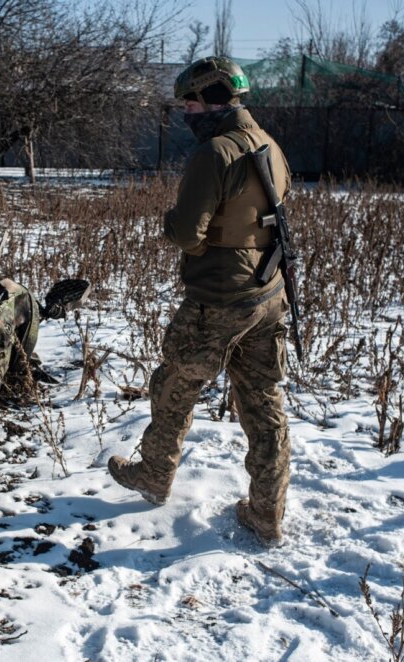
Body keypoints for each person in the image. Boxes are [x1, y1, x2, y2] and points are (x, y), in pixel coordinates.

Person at [107, 56, 293, 547]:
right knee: (262, 401)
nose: (186, 112)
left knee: (175, 384)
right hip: (267, 290)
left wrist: (172, 223)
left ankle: (153, 474)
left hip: (219, 295)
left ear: (212, 98)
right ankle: (267, 513)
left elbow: (188, 233)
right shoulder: (270, 144)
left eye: (189, 101)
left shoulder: (215, 153)